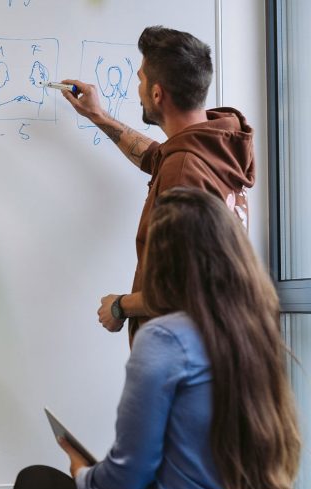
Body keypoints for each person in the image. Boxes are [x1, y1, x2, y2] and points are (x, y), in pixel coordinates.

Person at [7, 187, 301, 489]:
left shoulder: (166, 337)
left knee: (34, 482)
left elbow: (126, 476)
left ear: (163, 261)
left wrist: (83, 475)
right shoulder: (252, 334)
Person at [62, 26, 255, 346]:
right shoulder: (214, 149)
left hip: (181, 352)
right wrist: (99, 116)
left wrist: (120, 305)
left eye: (140, 79)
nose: (137, 87)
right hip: (214, 345)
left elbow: (182, 289)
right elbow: (157, 157)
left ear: (156, 93)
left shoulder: (182, 170)